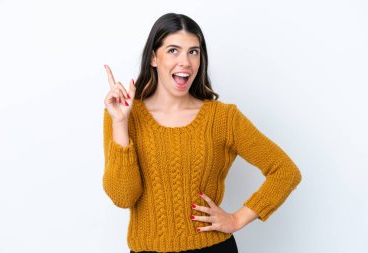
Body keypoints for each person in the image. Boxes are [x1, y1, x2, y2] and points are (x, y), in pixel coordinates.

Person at [102, 13, 302, 253]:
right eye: (173, 50)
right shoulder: (123, 115)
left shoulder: (223, 118)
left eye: (193, 51)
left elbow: (285, 171)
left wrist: (237, 219)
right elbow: (123, 197)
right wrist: (121, 123)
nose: (185, 61)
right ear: (154, 57)